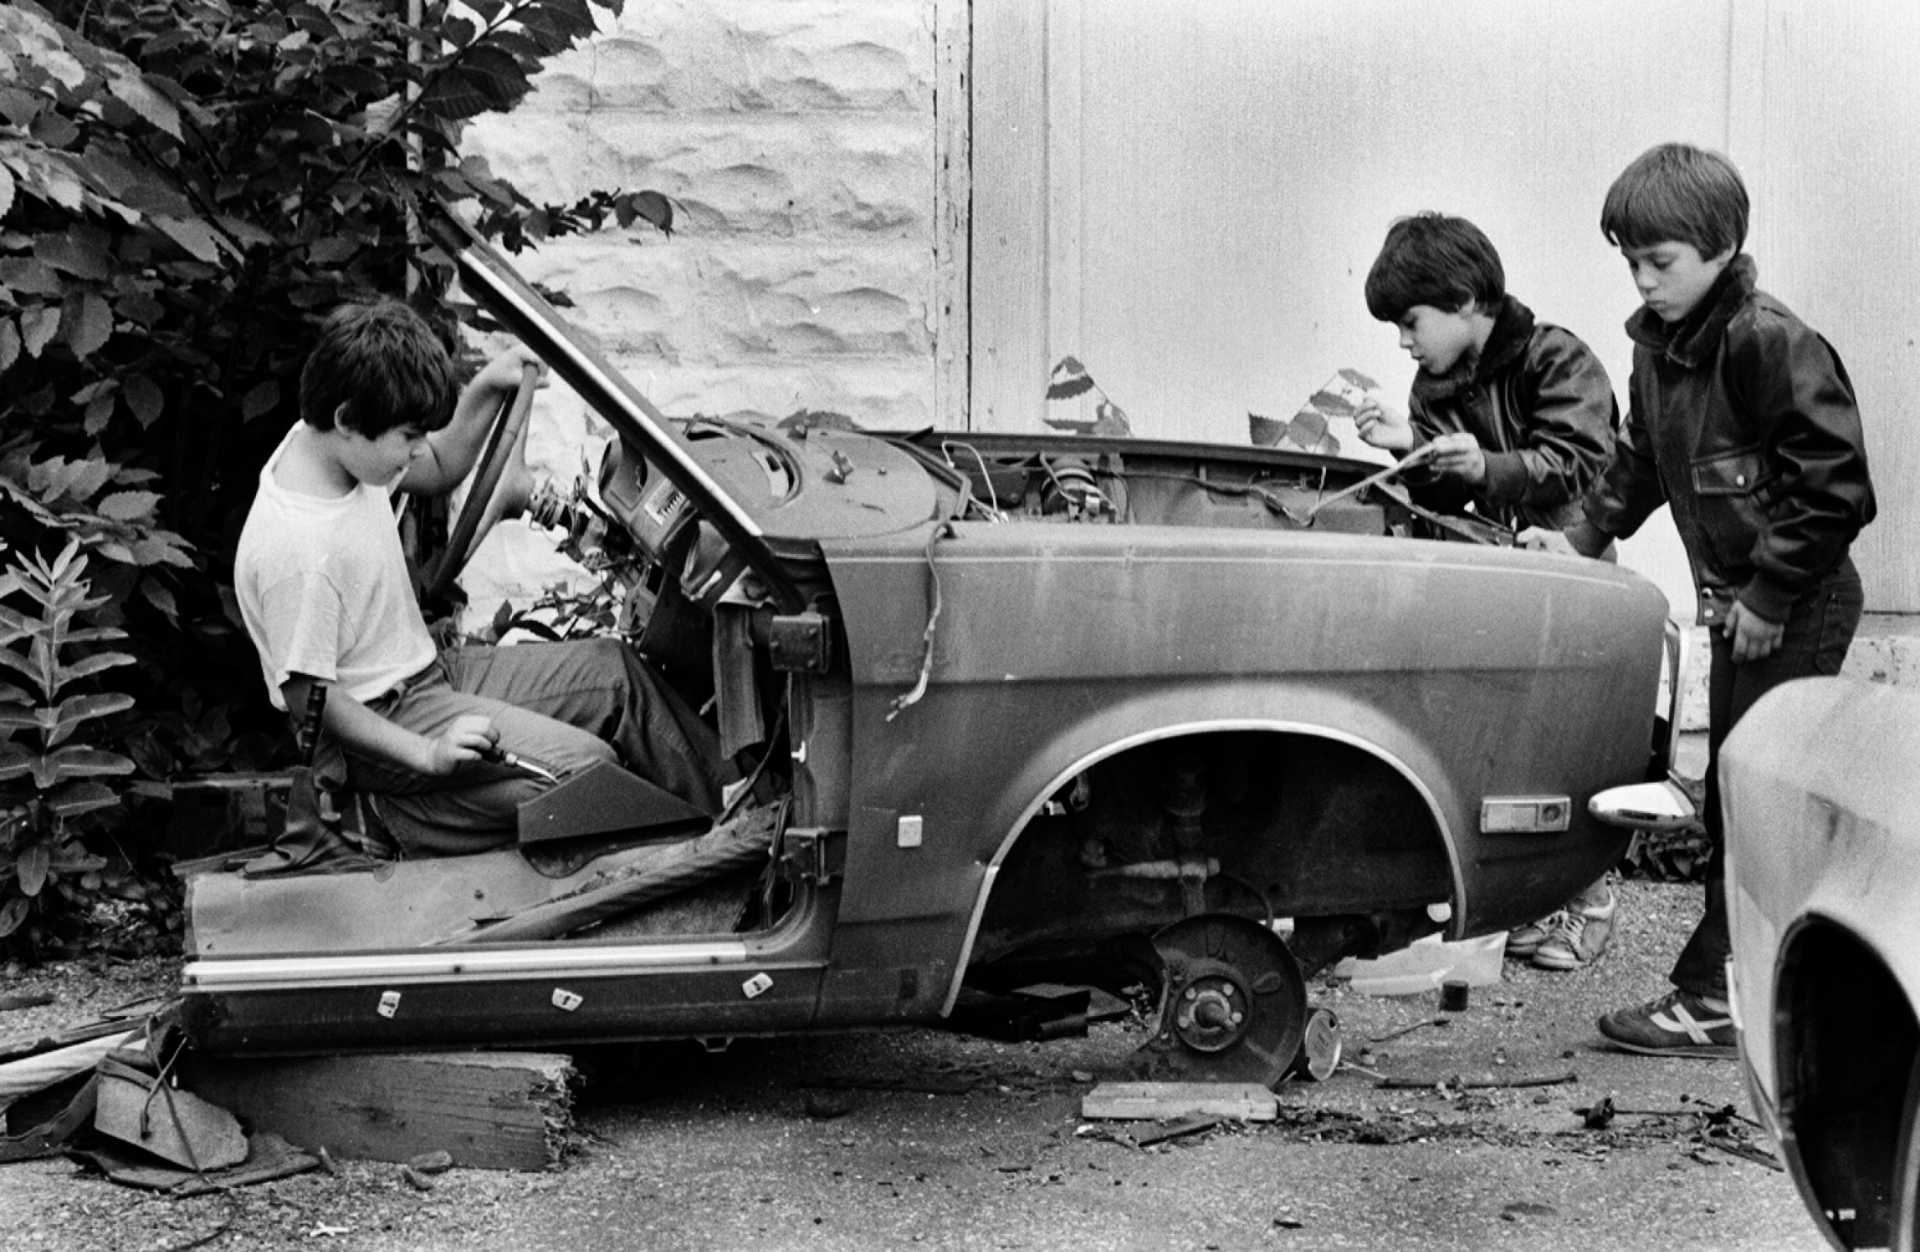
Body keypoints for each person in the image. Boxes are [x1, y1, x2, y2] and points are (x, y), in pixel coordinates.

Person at [1521, 143, 1876, 1056]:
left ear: (1721, 246)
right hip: (1741, 607)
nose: (1643, 282)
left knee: (1753, 804)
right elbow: (1638, 464)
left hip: (1795, 603)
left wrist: (1765, 594)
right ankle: (1776, 988)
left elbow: (1836, 488)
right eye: (1631, 263)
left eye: (1661, 261)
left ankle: (1719, 1001)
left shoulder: (1768, 341)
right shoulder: (1657, 352)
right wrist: (1580, 538)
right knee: (1738, 797)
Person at [235, 299, 726, 857]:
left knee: (616, 676)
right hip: (376, 728)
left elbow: (442, 465)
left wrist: (490, 386)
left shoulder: (336, 446)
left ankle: (741, 818)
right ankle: (396, 817)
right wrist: (428, 755)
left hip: (426, 673)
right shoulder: (298, 551)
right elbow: (309, 699)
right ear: (348, 420)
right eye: (408, 435)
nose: (419, 449)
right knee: (585, 773)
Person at [1354, 212, 1621, 972]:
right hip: (1500, 574)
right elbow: (1444, 496)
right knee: (1505, 737)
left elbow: (1583, 464)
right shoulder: (1432, 384)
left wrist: (1488, 469)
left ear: (1467, 299)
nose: (1405, 343)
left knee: (1568, 740)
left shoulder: (1556, 356)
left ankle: (1591, 904)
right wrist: (1408, 450)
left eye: (1411, 323)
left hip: (1574, 567)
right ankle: (1531, 901)